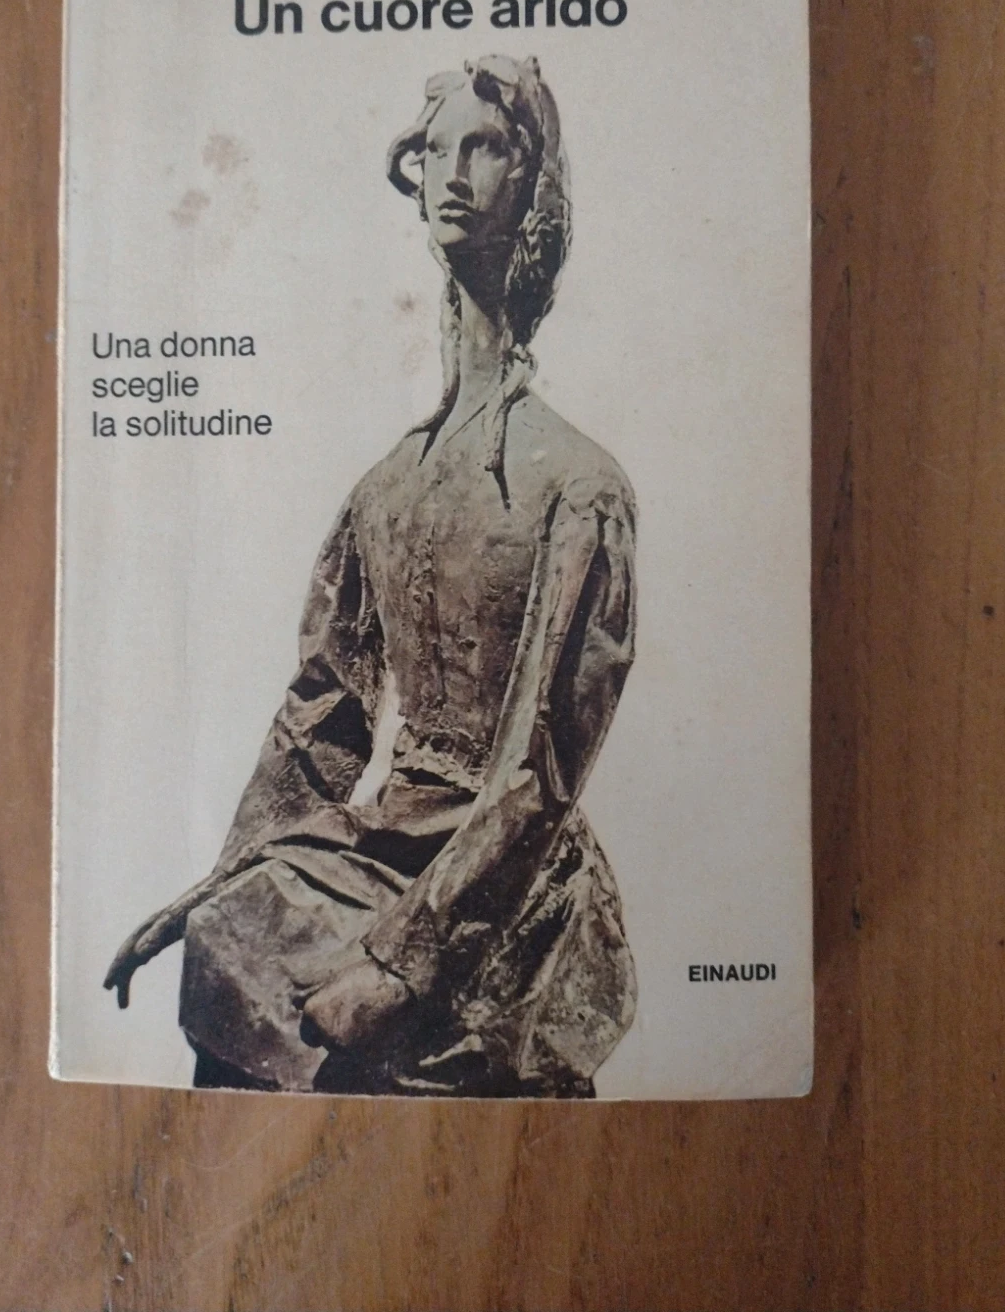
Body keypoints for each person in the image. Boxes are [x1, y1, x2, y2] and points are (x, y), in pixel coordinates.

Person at [105, 55, 638, 1097]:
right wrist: (220, 883)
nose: (454, 172)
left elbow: (537, 769)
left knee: (352, 1043)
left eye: (485, 146)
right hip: (379, 843)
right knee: (229, 942)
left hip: (503, 889)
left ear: (534, 182)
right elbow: (322, 714)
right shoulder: (386, 487)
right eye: (436, 149)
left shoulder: (579, 486)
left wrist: (400, 965)